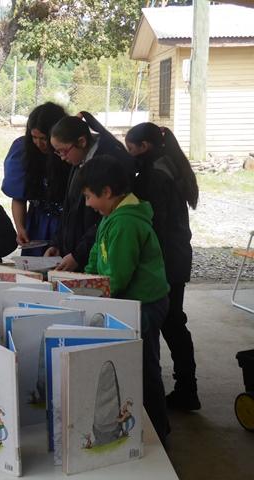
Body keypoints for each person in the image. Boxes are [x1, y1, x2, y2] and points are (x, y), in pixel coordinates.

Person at [77, 154, 170, 446]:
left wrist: (88, 296)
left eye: (90, 196)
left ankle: (159, 431)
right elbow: (96, 257)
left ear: (107, 192)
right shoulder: (111, 217)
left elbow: (116, 278)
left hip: (143, 305)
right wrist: (83, 283)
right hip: (127, 302)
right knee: (136, 365)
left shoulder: (126, 223)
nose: (88, 204)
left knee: (144, 368)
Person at [126, 122, 201, 411]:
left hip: (168, 261)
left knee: (170, 323)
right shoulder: (165, 165)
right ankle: (186, 387)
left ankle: (185, 389)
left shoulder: (155, 175)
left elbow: (155, 224)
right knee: (174, 323)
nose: (129, 155)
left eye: (131, 149)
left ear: (144, 147)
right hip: (176, 257)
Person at [45, 112, 136, 271]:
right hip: (75, 253)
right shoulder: (79, 159)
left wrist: (78, 255)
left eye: (63, 151)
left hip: (93, 257)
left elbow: (103, 220)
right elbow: (69, 206)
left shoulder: (109, 161)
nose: (62, 157)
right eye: (57, 152)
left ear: (81, 141)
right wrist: (58, 243)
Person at [1, 103, 71, 256]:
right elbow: (18, 198)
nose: (39, 143)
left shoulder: (70, 153)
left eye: (44, 138)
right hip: (36, 224)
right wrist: (20, 228)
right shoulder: (22, 151)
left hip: (67, 226)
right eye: (34, 137)